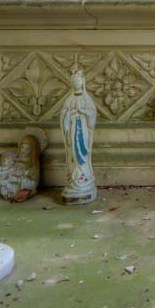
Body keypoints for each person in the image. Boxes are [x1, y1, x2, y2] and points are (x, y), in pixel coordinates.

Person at [60, 67, 98, 205]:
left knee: (83, 154)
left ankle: (84, 179)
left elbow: (92, 115)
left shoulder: (87, 99)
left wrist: (83, 112)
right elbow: (63, 116)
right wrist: (69, 114)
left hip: (83, 130)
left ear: (82, 82)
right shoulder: (69, 99)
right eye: (74, 81)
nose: (76, 83)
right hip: (72, 130)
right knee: (73, 154)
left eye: (78, 80)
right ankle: (74, 181)